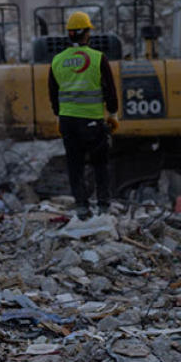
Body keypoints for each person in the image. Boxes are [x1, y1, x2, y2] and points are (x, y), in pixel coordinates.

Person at [47, 11, 119, 218]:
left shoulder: (57, 61)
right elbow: (110, 91)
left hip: (68, 122)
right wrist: (113, 114)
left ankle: (81, 207)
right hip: (92, 121)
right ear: (87, 34)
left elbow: (54, 94)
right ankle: (103, 206)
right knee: (100, 163)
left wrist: (59, 116)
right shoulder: (98, 59)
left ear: (69, 34)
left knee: (75, 164)